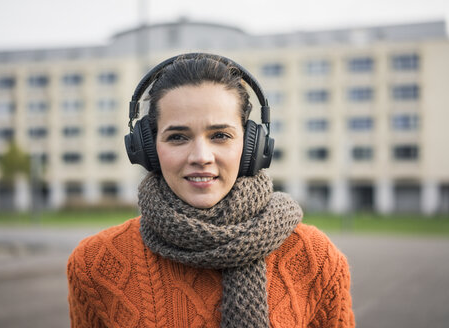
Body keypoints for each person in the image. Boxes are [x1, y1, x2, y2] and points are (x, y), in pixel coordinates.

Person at [67, 53, 355, 328]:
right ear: (147, 149)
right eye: (178, 137)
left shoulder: (317, 259)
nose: (201, 156)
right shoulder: (95, 264)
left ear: (252, 147)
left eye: (220, 135)